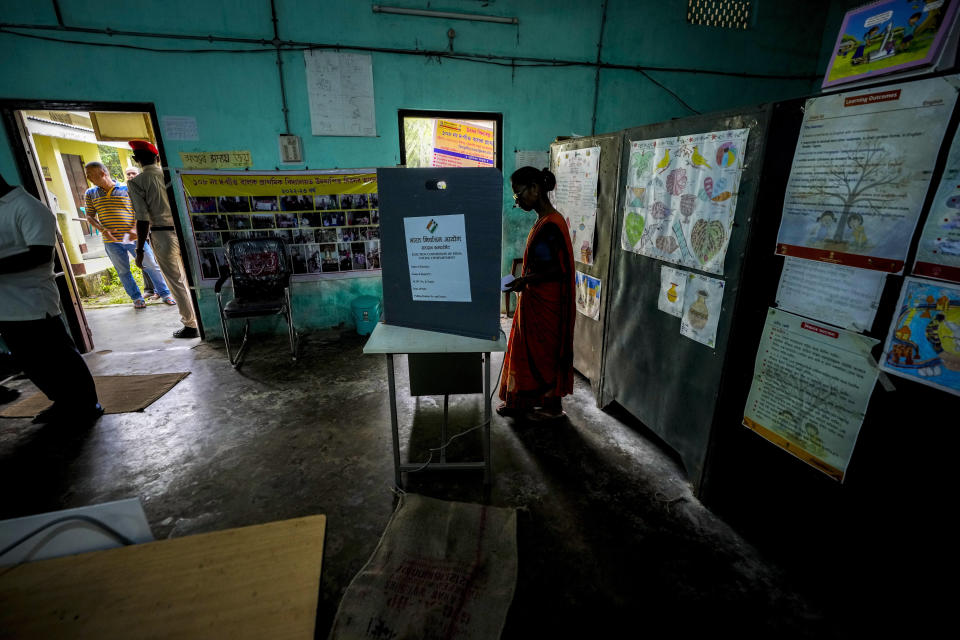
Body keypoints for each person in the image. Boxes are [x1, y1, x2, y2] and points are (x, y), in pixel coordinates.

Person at [0, 172, 103, 425]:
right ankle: (63, 401)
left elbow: (40, 256)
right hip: (5, 305)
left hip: (33, 302)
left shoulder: (28, 208)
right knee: (33, 363)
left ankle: (88, 404)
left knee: (59, 358)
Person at [498, 166, 575, 421]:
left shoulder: (552, 224)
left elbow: (555, 269)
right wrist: (525, 281)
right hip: (535, 299)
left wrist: (524, 280)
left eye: (518, 195)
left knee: (543, 356)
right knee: (529, 352)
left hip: (547, 303)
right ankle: (528, 402)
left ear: (535, 188)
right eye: (515, 198)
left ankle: (546, 405)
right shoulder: (545, 220)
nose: (517, 202)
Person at [127, 140, 199, 338]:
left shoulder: (136, 182)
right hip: (185, 231)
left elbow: (142, 219)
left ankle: (191, 325)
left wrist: (140, 250)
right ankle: (198, 319)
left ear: (136, 159)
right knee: (191, 278)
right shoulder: (171, 175)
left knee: (176, 282)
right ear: (157, 158)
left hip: (162, 235)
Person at [84, 162, 173, 309]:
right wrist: (102, 229)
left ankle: (165, 294)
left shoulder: (128, 189)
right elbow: (90, 216)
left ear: (102, 173)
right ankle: (137, 298)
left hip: (135, 238)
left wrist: (134, 229)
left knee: (151, 265)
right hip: (111, 241)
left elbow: (141, 210)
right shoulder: (90, 193)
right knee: (123, 271)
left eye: (90, 174)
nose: (88, 177)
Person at [124, 165, 156, 297]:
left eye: (133, 173)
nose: (131, 176)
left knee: (153, 262)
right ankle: (149, 289)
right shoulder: (128, 190)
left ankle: (160, 290)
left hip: (149, 230)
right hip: (136, 231)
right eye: (128, 174)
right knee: (142, 261)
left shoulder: (147, 187)